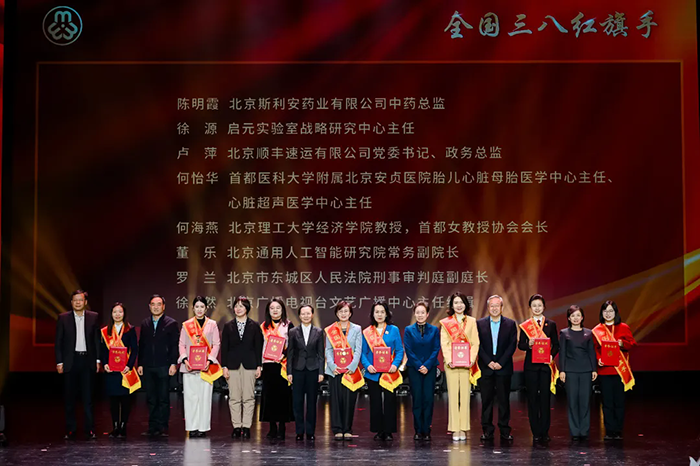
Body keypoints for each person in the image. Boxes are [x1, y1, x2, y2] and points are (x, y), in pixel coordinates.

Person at [55, 290, 101, 440]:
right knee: (69, 398)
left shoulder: (93, 317)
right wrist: (59, 361)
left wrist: (98, 360)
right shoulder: (63, 318)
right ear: (71, 302)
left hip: (87, 361)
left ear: (85, 302)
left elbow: (97, 341)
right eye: (75, 300)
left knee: (88, 398)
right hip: (70, 361)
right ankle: (70, 429)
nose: (78, 303)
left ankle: (90, 430)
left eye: (80, 300)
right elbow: (58, 342)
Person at [518, 293, 560, 445]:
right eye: (534, 306)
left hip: (545, 367)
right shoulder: (526, 326)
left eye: (539, 305)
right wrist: (528, 344)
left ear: (544, 307)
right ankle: (535, 432)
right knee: (532, 399)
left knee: (545, 399)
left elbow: (556, 345)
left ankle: (545, 431)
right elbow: (520, 345)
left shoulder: (551, 324)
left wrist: (551, 355)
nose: (537, 308)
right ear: (530, 308)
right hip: (531, 367)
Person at [178, 296, 222, 438]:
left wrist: (209, 360)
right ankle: (192, 427)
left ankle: (202, 428)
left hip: (206, 368)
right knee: (190, 398)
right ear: (193, 308)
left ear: (206, 308)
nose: (199, 309)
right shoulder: (186, 325)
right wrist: (185, 360)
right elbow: (181, 344)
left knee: (204, 398)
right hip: (189, 367)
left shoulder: (212, 324)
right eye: (196, 307)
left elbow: (216, 344)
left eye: (202, 307)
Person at [593, 300, 637, 441]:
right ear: (602, 313)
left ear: (615, 312)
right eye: (605, 311)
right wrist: (598, 359)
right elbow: (594, 349)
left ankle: (618, 430)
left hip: (619, 372)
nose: (608, 314)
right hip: (604, 371)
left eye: (611, 311)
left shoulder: (623, 327)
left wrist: (622, 343)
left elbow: (632, 344)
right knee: (607, 402)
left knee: (619, 402)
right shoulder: (597, 330)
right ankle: (609, 431)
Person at [361, 300, 404, 441]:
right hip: (373, 373)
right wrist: (368, 366)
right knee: (375, 402)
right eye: (376, 312)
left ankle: (389, 430)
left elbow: (399, 350)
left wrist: (395, 365)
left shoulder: (394, 330)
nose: (379, 315)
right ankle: (378, 430)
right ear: (373, 314)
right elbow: (363, 353)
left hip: (389, 372)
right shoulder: (367, 332)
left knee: (390, 401)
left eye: (382, 312)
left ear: (386, 314)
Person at [440, 292, 480, 441]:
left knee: (465, 396)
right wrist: (449, 359)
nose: (458, 305)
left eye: (461, 302)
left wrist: (471, 359)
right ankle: (455, 428)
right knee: (453, 397)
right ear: (452, 305)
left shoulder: (472, 321)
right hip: (451, 364)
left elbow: (475, 342)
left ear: (465, 305)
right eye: (456, 302)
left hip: (466, 364)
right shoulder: (446, 323)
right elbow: (444, 343)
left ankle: (463, 428)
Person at [476, 295, 517, 442]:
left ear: (501, 307)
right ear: (488, 308)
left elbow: (512, 345)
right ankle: (487, 430)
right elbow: (478, 345)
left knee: (504, 400)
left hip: (503, 368)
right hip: (486, 367)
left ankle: (505, 430)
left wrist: (501, 362)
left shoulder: (510, 324)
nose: (494, 308)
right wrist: (488, 362)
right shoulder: (479, 324)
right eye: (491, 306)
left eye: (497, 305)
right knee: (486, 400)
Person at [221, 296, 263, 439]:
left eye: (241, 306)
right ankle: (236, 426)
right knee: (234, 397)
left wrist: (259, 366)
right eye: (236, 306)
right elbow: (224, 348)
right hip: (232, 365)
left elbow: (258, 347)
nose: (238, 309)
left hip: (250, 365)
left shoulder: (254, 325)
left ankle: (246, 426)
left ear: (247, 308)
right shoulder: (228, 326)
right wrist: (224, 366)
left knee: (248, 397)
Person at [137, 295, 179, 437]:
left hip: (164, 365)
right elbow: (142, 345)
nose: (156, 307)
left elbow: (174, 345)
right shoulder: (145, 323)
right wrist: (140, 363)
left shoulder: (171, 323)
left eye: (159, 304)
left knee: (163, 398)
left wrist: (173, 363)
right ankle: (152, 426)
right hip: (148, 365)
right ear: (149, 306)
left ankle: (163, 427)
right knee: (151, 398)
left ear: (163, 306)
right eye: (153, 304)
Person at [324, 300, 363, 441]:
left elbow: (358, 349)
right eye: (341, 311)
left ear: (350, 313)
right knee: (336, 400)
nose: (343, 314)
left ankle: (347, 429)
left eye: (346, 311)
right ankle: (337, 429)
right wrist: (332, 366)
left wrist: (352, 367)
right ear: (336, 313)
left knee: (349, 400)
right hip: (334, 371)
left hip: (350, 371)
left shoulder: (357, 329)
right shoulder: (331, 330)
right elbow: (328, 349)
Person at [100, 302, 140, 438]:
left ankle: (123, 427)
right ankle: (115, 426)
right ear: (111, 314)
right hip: (111, 371)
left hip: (125, 371)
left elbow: (134, 350)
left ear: (124, 314)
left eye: (120, 312)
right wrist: (105, 364)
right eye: (115, 312)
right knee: (113, 401)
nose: (117, 314)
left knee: (125, 400)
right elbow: (103, 351)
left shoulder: (130, 329)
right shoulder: (106, 331)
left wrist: (129, 365)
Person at [403, 301, 441, 441]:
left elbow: (436, 348)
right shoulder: (409, 330)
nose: (420, 315)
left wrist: (427, 365)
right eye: (417, 312)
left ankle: (427, 429)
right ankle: (418, 430)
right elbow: (408, 349)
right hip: (414, 368)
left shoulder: (434, 330)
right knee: (417, 399)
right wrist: (419, 365)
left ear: (427, 314)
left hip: (430, 369)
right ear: (414, 314)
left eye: (422, 312)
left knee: (428, 399)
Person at [559, 305, 597, 442]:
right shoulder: (564, 333)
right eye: (573, 316)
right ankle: (575, 431)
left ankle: (584, 431)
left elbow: (591, 352)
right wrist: (562, 370)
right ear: (569, 318)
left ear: (582, 317)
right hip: (570, 371)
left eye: (578, 315)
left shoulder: (588, 333)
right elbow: (562, 353)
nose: (575, 318)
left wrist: (594, 369)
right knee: (573, 401)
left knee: (585, 401)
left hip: (586, 370)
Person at [287, 305, 325, 441]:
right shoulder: (293, 332)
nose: (306, 316)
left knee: (311, 402)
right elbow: (290, 353)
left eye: (308, 313)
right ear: (299, 316)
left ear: (312, 315)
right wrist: (289, 372)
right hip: (297, 370)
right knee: (297, 402)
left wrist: (321, 372)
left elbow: (321, 354)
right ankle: (299, 431)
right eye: (303, 314)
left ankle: (310, 431)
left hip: (313, 370)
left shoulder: (318, 332)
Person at [259, 297, 295, 439]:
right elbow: (260, 346)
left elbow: (292, 345)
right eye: (272, 308)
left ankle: (282, 427)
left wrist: (283, 355)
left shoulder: (288, 325)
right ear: (268, 310)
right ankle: (272, 426)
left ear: (282, 310)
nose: (275, 311)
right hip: (268, 365)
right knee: (270, 396)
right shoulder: (263, 326)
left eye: (278, 308)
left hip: (283, 365)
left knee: (282, 396)